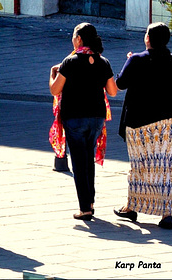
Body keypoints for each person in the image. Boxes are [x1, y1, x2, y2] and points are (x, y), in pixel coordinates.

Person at [113, 22, 172, 229]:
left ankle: (131, 207)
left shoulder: (136, 59)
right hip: (171, 121)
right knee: (167, 167)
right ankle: (166, 214)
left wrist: (129, 61)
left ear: (148, 39)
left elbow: (120, 84)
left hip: (141, 122)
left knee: (140, 166)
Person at [49, 23, 118, 221]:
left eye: (73, 36)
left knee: (79, 163)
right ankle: (91, 202)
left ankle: (85, 209)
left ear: (79, 39)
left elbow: (55, 90)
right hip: (96, 118)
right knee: (88, 160)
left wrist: (52, 74)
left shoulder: (69, 62)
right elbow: (112, 91)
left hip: (75, 118)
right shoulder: (103, 61)